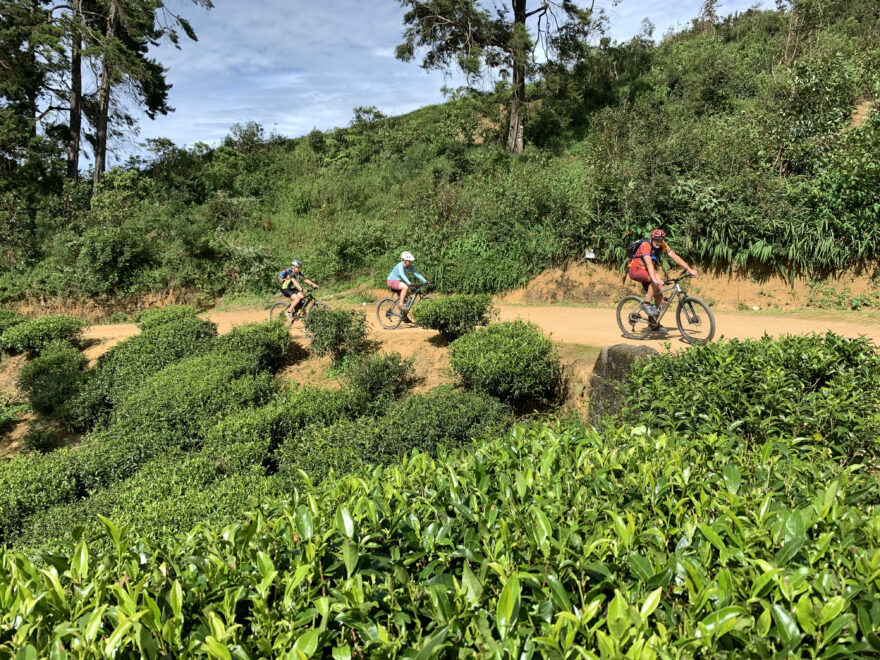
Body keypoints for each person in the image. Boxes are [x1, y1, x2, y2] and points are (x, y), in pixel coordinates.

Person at [628, 229, 697, 320]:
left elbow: (675, 256)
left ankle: (655, 324)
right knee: (658, 277)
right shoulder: (646, 245)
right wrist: (655, 279)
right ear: (652, 239)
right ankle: (646, 304)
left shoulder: (663, 245)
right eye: (656, 240)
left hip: (646, 272)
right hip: (635, 270)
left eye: (661, 240)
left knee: (661, 300)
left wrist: (689, 269)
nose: (659, 243)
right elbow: (649, 263)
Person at [387, 251, 428, 320]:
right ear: (405, 261)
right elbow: (402, 275)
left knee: (407, 300)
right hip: (391, 281)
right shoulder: (400, 265)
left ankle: (404, 317)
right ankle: (400, 305)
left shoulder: (410, 266)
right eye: (410, 261)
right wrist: (409, 283)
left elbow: (416, 273)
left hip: (399, 282)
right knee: (405, 287)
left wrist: (425, 281)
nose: (411, 262)